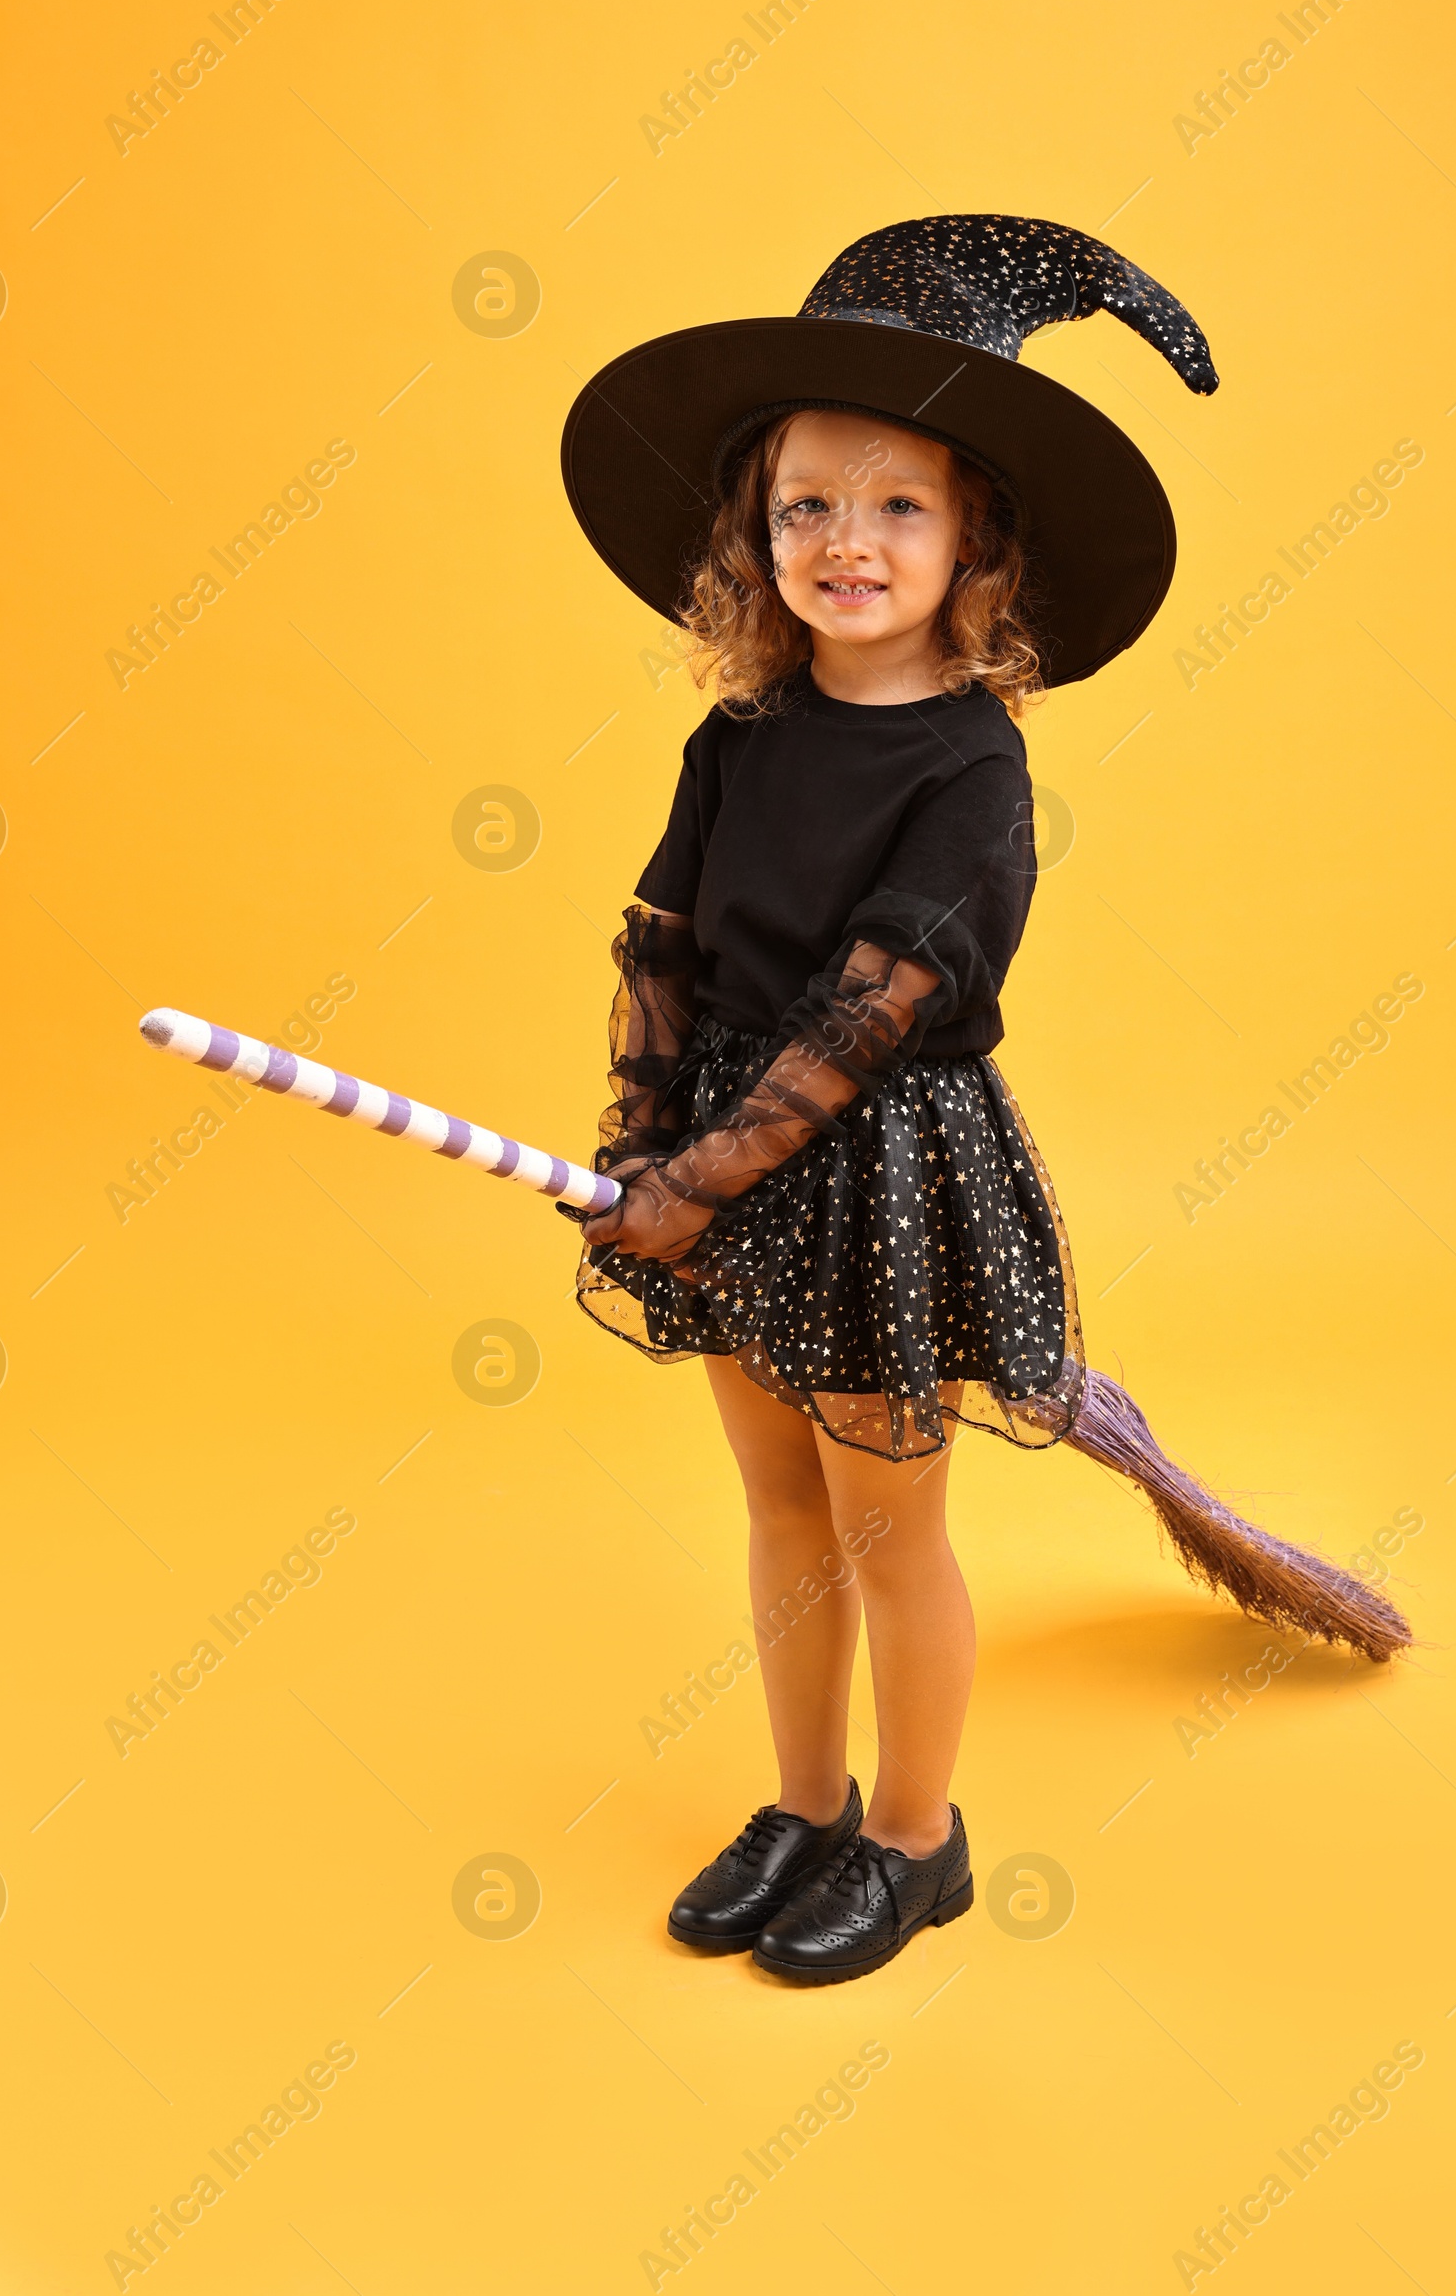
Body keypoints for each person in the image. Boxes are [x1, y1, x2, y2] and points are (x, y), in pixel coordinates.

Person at [559, 216, 1411, 1988]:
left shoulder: (972, 765)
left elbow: (877, 1009)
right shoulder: (738, 741)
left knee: (885, 1526)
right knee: (777, 1504)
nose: (844, 543)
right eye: (804, 504)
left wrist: (701, 1172)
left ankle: (912, 1839)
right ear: (751, 528)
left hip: (875, 1172)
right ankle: (803, 1805)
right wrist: (638, 1137)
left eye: (897, 507)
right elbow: (661, 940)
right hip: (723, 1158)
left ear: (977, 547)